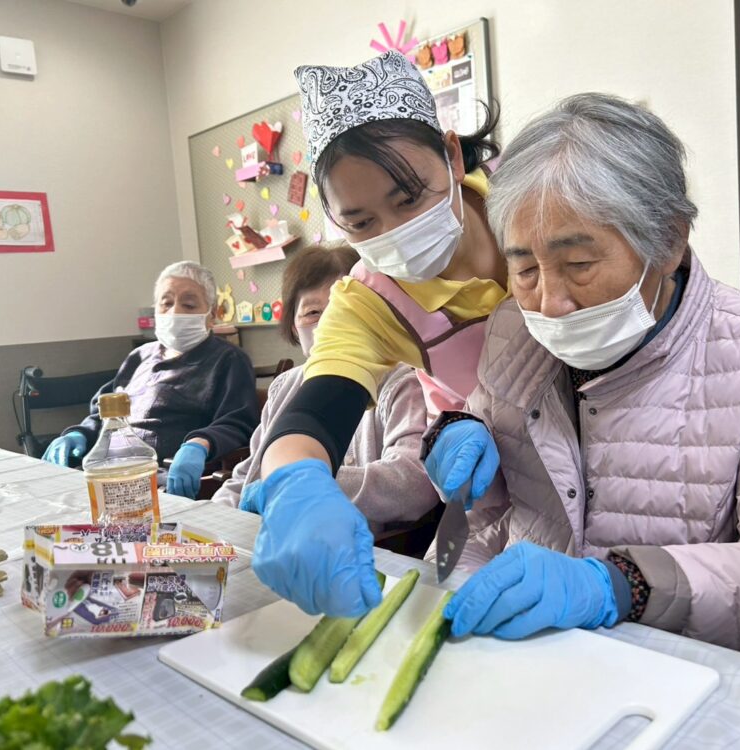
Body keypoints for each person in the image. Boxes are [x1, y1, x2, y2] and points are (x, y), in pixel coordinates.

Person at [422, 94, 740, 665]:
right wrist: (458, 430)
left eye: (579, 264)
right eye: (524, 268)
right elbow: (484, 518)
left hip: (697, 673)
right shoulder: (513, 327)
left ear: (669, 240)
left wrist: (622, 585)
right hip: (533, 656)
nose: (549, 303)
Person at [244, 50, 508, 617]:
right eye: (361, 222)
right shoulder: (369, 301)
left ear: (453, 154)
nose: (396, 234)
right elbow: (314, 413)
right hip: (501, 500)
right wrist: (296, 485)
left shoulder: (533, 205)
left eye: (409, 197)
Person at [212, 244, 439, 534]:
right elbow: (249, 474)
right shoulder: (285, 385)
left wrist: (303, 482)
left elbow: (413, 485)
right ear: (293, 326)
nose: (329, 323)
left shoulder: (402, 382)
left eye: (341, 310)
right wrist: (214, 522)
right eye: (312, 312)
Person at [42, 261, 260, 500]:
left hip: (166, 480)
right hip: (112, 472)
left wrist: (198, 445)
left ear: (212, 314)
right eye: (166, 303)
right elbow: (106, 412)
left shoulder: (228, 359)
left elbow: (237, 421)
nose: (175, 311)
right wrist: (79, 434)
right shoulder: (140, 356)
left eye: (188, 304)